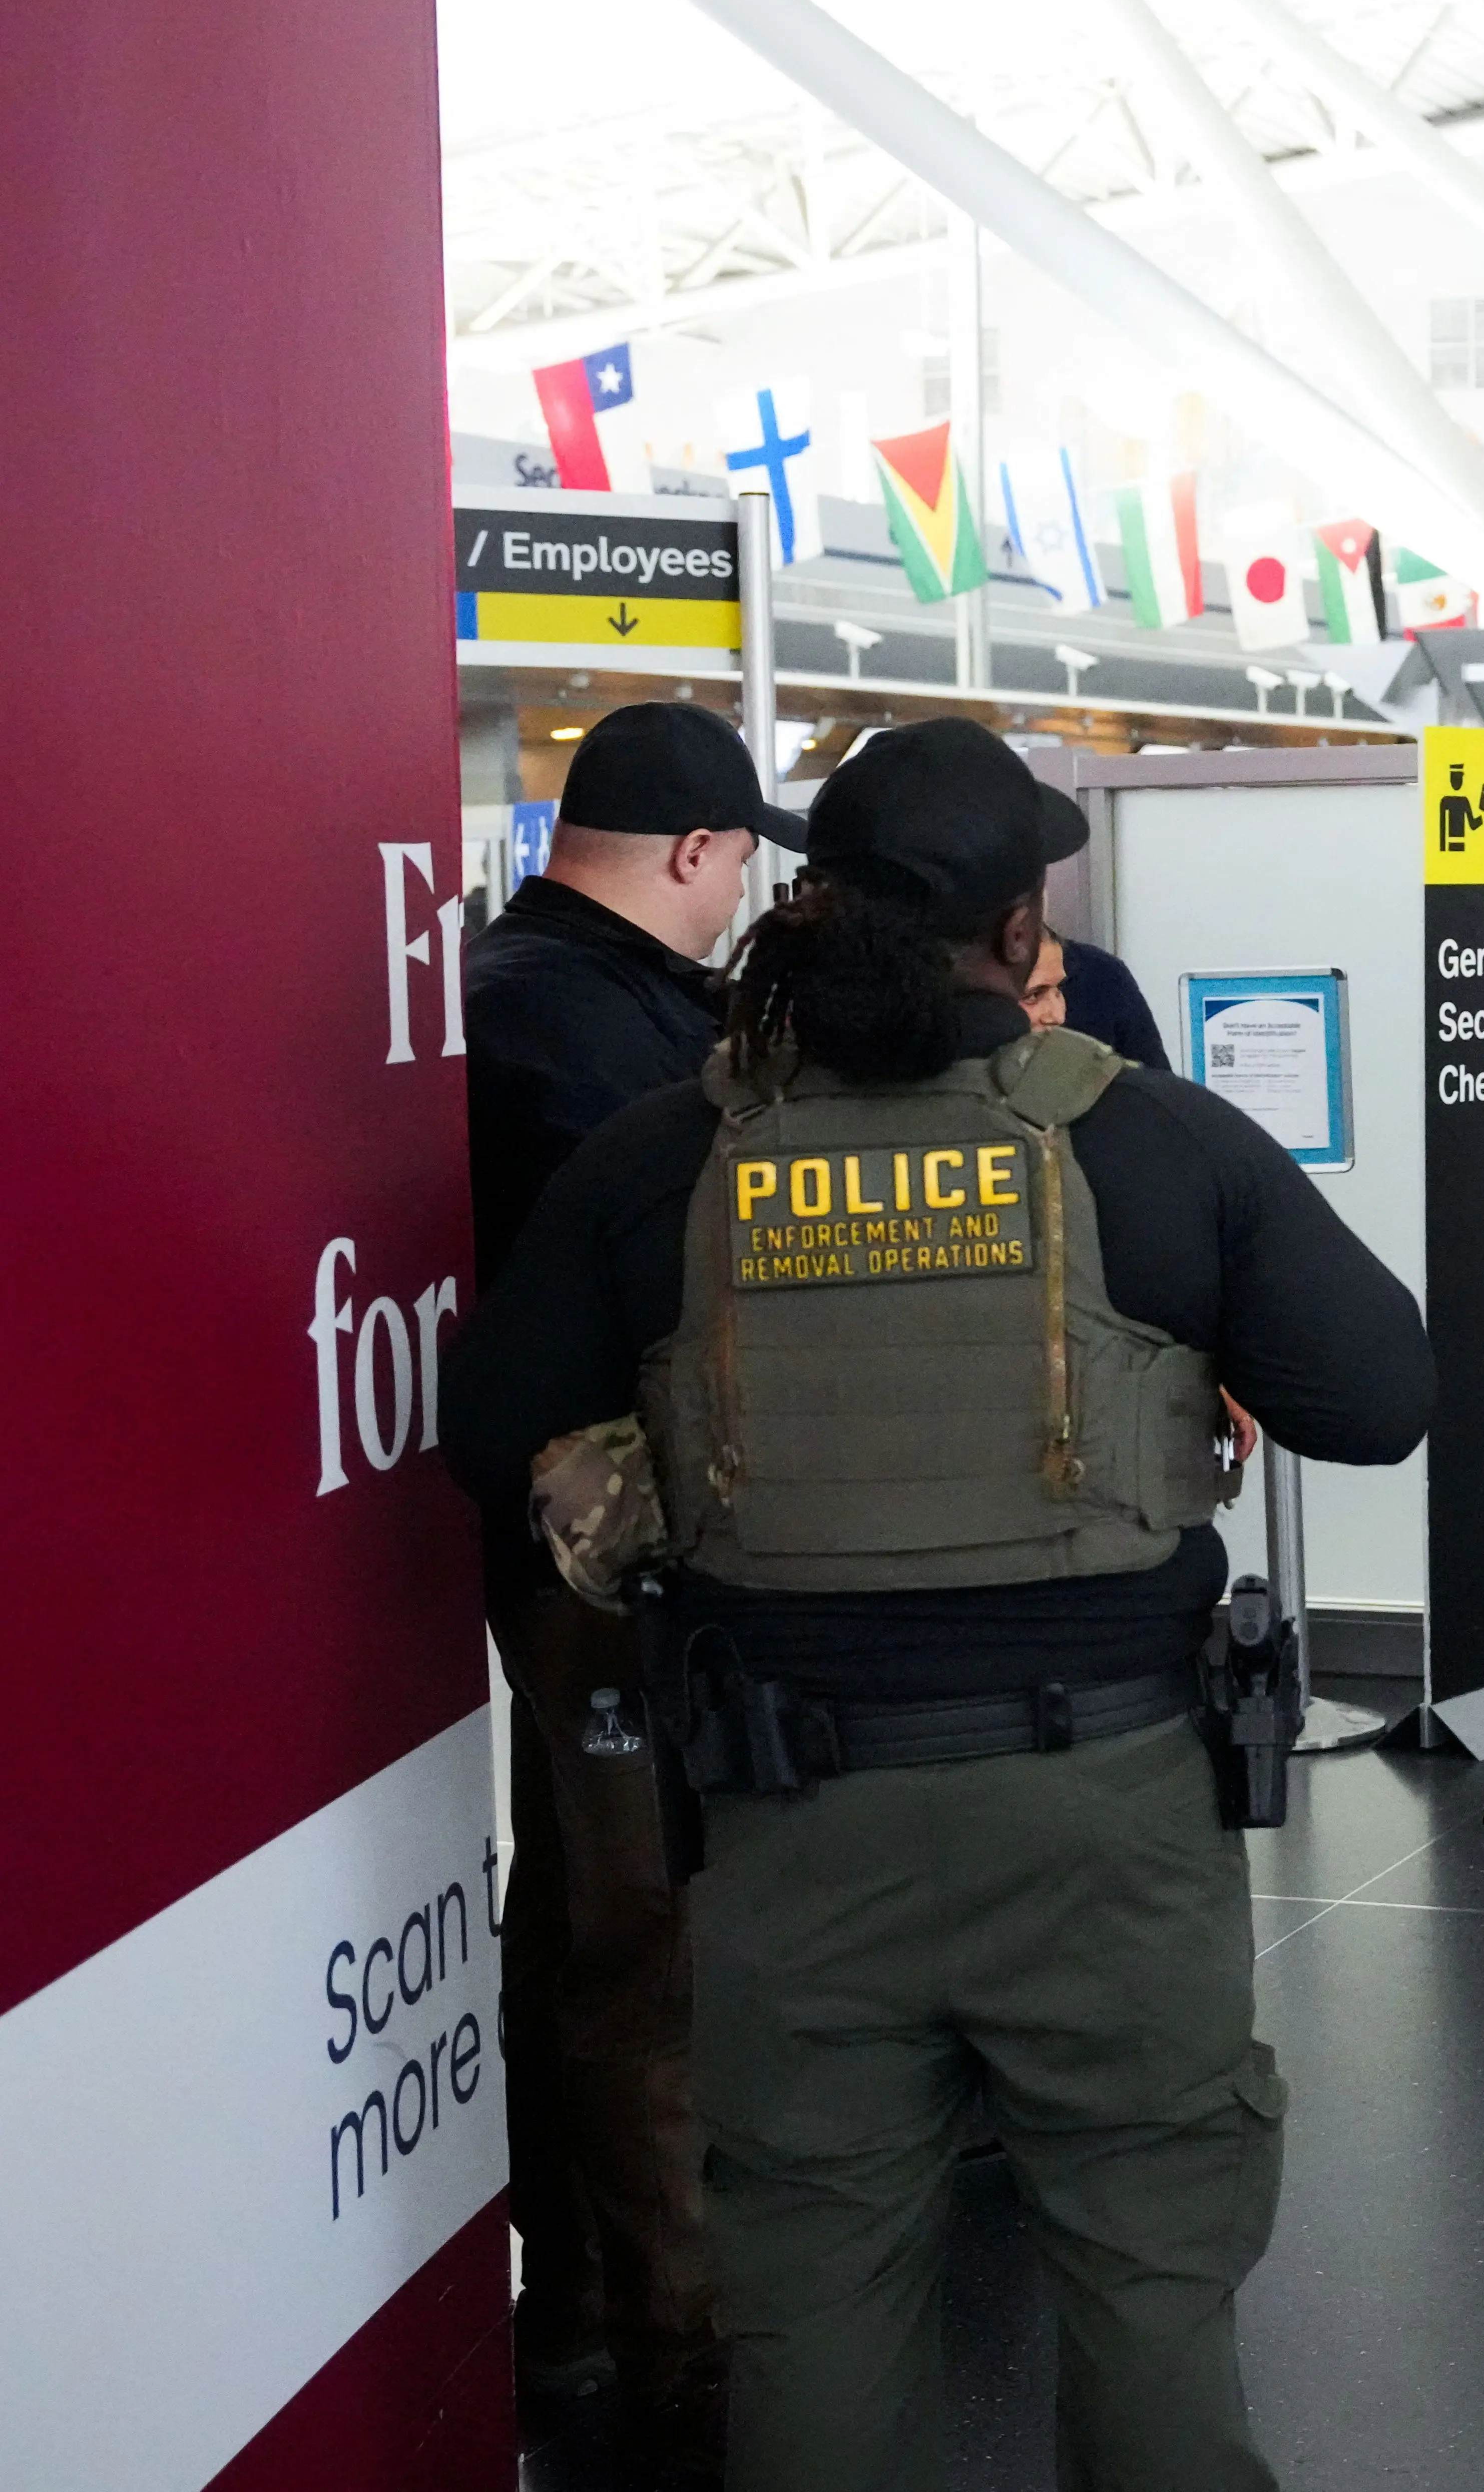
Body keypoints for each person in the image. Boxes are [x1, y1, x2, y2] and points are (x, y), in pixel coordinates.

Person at [447, 716, 1431, 2490]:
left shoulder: (673, 1158)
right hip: (1111, 1827)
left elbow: (488, 1427)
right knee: (1146, 2286)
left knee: (808, 2315)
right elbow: (1379, 1397)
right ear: (1024, 929)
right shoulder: (1155, 1149)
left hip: (788, 1827)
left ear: (811, 905)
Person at [461, 699, 802, 2462]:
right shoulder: (593, 1036)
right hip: (606, 1557)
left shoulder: (532, 994)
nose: (744, 887)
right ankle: (675, 2347)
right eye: (744, 855)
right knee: (641, 1943)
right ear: (694, 852)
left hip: (570, 1552)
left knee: (583, 1925)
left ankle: (581, 2294)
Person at [1059, 932, 1170, 1070]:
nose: (1057, 1016)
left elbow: (1156, 1079)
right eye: (1034, 995)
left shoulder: (1102, 972)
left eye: (1058, 991)